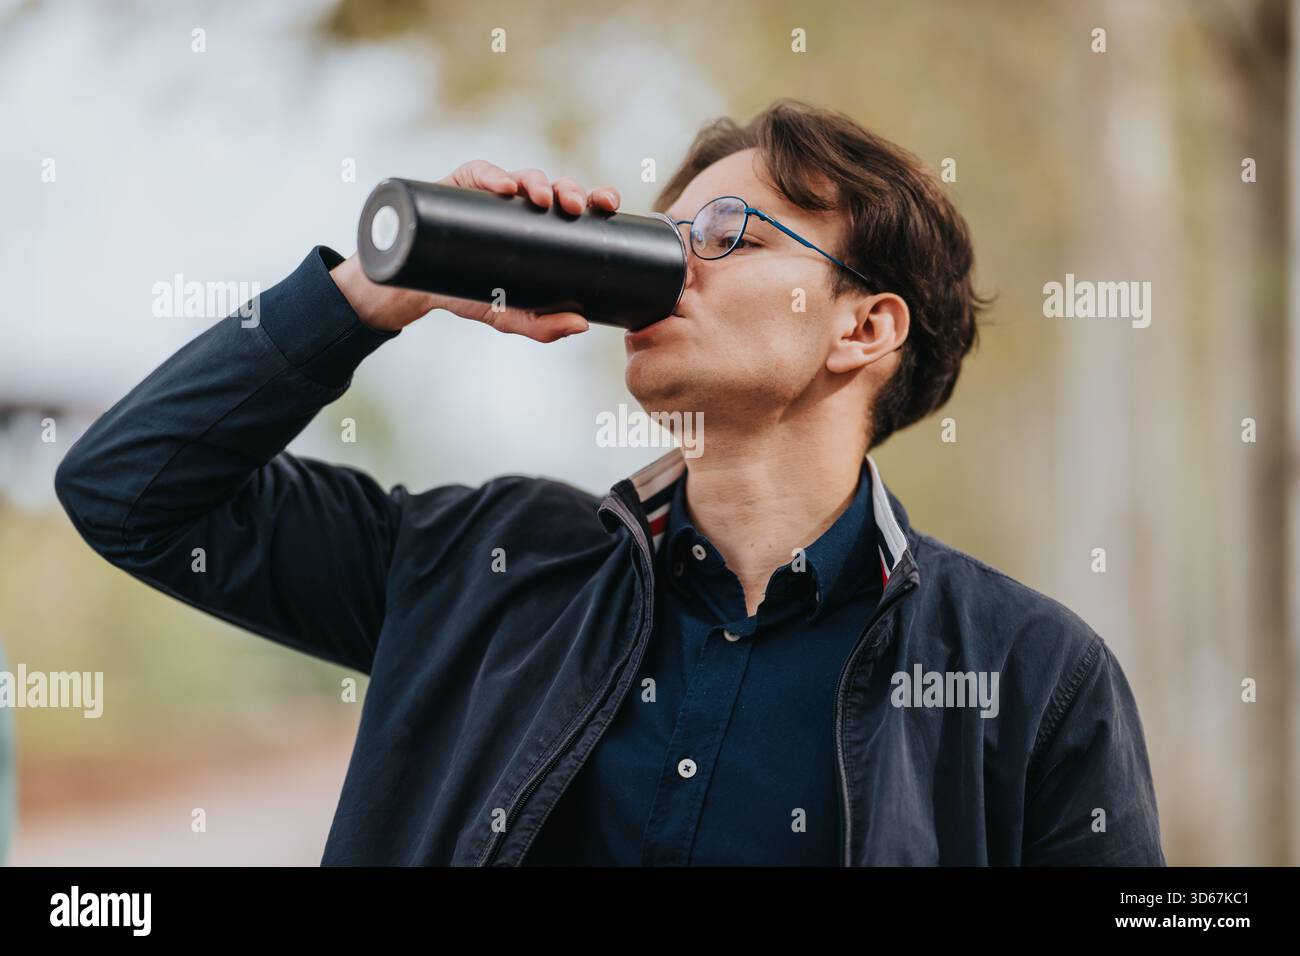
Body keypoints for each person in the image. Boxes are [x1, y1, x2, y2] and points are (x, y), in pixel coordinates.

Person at [54, 98, 1165, 866]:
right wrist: (381, 286)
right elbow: (127, 489)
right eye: (660, 236)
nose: (667, 267)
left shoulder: (1030, 674)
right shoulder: (482, 571)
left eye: (725, 234)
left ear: (863, 327)